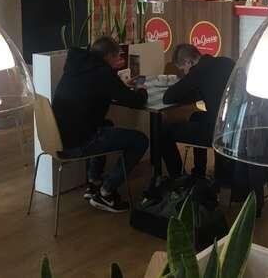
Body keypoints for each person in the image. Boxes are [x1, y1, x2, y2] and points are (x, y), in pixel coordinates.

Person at [52, 36, 149, 213]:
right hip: (78, 142)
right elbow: (134, 101)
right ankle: (106, 192)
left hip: (58, 137)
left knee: (107, 124)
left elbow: (93, 89)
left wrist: (118, 85)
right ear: (108, 56)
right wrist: (142, 90)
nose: (118, 60)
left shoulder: (77, 66)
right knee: (140, 140)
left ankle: (94, 183)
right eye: (117, 56)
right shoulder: (103, 72)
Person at [161, 44, 234, 179]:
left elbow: (168, 97)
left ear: (188, 62)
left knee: (163, 132)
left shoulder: (198, 71)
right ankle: (199, 171)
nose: (184, 73)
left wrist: (186, 82)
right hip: (234, 128)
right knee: (196, 116)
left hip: (217, 132)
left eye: (183, 69)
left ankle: (177, 177)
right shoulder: (227, 62)